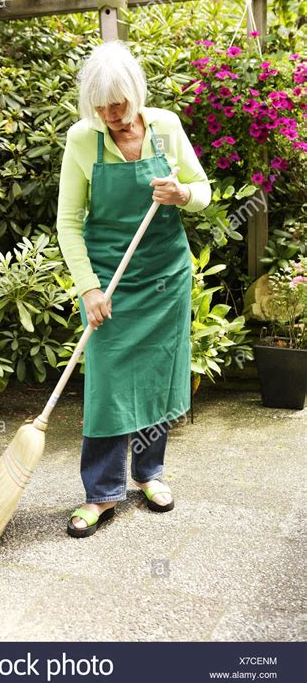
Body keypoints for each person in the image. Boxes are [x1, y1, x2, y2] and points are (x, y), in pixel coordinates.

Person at [56, 40, 211, 538]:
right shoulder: (83, 139)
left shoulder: (165, 127)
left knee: (155, 374)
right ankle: (101, 493)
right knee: (107, 383)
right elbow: (68, 224)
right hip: (109, 282)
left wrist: (182, 194)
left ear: (135, 94)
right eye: (100, 108)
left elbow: (203, 191)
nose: (110, 116)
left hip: (164, 276)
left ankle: (149, 474)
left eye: (118, 105)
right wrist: (89, 288)